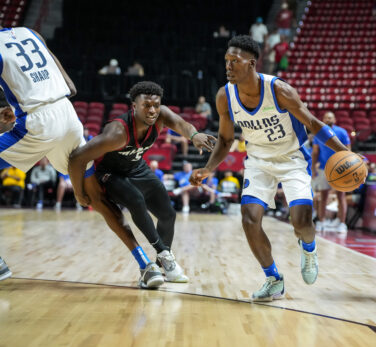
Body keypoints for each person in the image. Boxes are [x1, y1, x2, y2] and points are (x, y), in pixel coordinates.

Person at [189, 36, 352, 301]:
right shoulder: (224, 96)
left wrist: (342, 151)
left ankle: (308, 248)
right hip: (258, 162)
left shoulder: (279, 90)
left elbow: (312, 122)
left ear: (252, 64)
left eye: (234, 61)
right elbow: (227, 140)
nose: (228, 66)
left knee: (301, 221)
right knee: (249, 219)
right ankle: (273, 278)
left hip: (292, 159)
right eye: (226, 61)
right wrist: (208, 168)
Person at [0, 26, 164, 289]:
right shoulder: (28, 32)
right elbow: (66, 81)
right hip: (66, 114)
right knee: (96, 198)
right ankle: (147, 266)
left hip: (37, 123)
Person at [69, 81, 216, 283]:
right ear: (134, 107)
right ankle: (165, 256)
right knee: (136, 199)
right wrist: (79, 192)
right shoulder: (117, 133)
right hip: (109, 173)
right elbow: (77, 158)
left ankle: (162, 268)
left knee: (168, 214)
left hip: (136, 167)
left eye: (156, 104)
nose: (152, 110)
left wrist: (194, 135)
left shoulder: (161, 115)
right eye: (147, 105)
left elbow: (181, 124)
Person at [311, 111, 351, 233]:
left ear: (335, 119)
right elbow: (315, 152)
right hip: (324, 168)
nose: (328, 119)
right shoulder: (318, 134)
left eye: (331, 117)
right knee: (323, 197)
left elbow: (348, 150)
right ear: (323, 120)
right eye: (326, 117)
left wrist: (348, 167)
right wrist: (313, 168)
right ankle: (321, 221)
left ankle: (342, 223)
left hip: (340, 169)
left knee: (341, 196)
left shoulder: (342, 132)